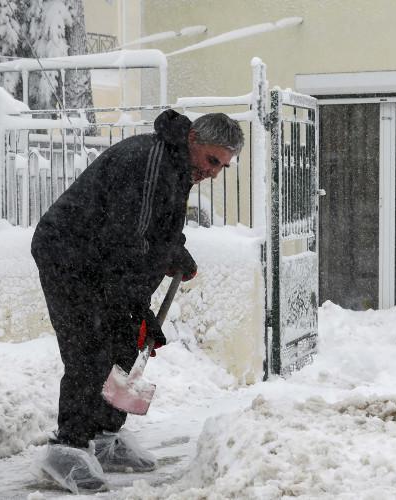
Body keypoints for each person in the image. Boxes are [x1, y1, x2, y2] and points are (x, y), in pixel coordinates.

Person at [30, 109, 244, 493]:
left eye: (222, 166)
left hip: (103, 259)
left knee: (126, 343)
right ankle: (68, 448)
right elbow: (129, 240)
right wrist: (134, 304)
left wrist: (174, 252)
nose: (214, 172)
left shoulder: (180, 167)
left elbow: (160, 228)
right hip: (69, 254)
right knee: (91, 348)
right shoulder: (149, 160)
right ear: (193, 139)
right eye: (213, 161)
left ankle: (105, 436)